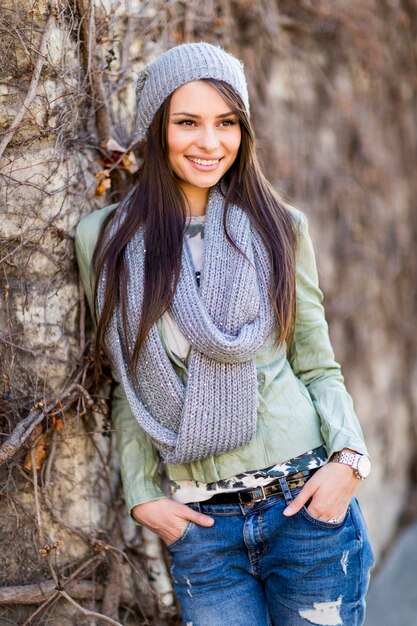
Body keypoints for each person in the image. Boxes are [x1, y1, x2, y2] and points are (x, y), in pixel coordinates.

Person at [75, 42, 374, 626]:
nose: (210, 143)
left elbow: (316, 363)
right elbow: (127, 384)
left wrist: (348, 461)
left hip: (306, 508)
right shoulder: (105, 239)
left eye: (227, 123)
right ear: (157, 128)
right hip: (202, 531)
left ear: (245, 130)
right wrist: (143, 497)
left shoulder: (280, 227)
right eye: (188, 122)